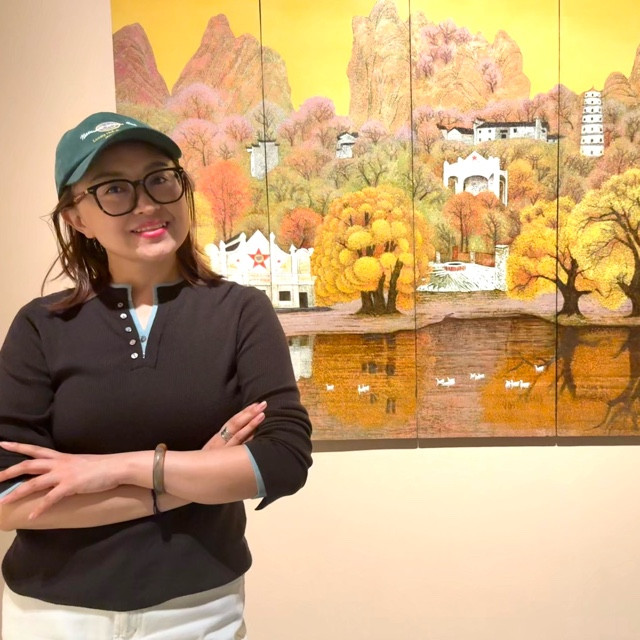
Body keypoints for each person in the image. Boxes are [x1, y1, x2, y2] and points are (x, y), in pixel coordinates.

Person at [0, 112, 313, 639]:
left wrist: (118, 468)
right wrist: (181, 483)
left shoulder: (241, 311)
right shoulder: (40, 325)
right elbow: (10, 499)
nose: (147, 203)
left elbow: (283, 459)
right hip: (51, 616)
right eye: (113, 189)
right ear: (77, 217)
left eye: (160, 179)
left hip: (199, 612)